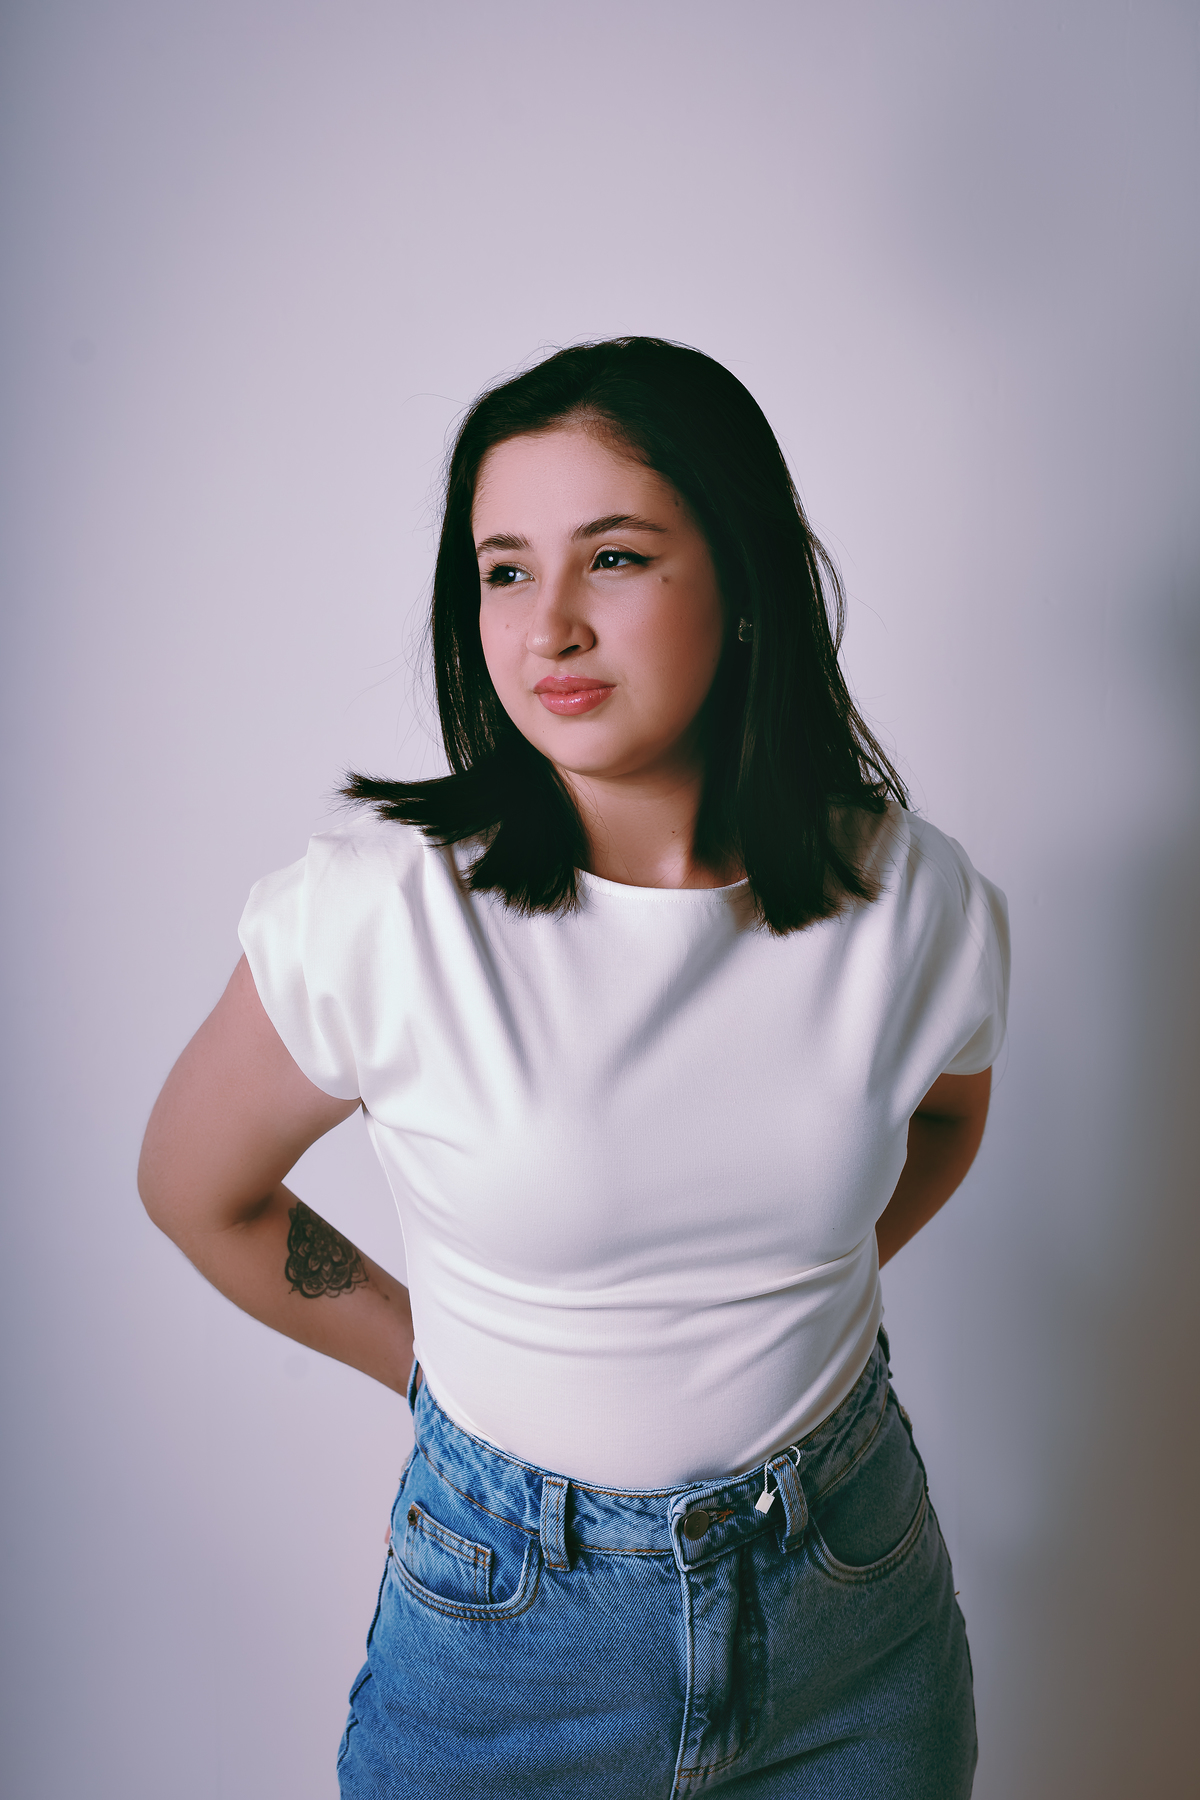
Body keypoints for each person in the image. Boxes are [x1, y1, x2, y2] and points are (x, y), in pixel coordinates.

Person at [139, 336, 1009, 1798]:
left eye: (613, 558)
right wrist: (426, 1362)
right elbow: (194, 1187)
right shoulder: (382, 913)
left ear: (743, 582)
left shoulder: (912, 898)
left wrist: (787, 1286)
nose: (547, 626)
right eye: (503, 570)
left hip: (852, 1610)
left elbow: (945, 1118)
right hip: (509, 1637)